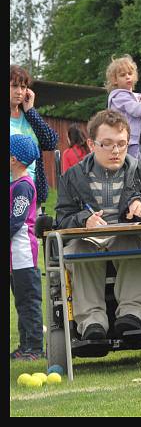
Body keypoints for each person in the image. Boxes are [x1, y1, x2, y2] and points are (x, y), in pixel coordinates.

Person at [55, 109, 141, 340]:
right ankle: (92, 321)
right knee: (79, 249)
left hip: (127, 236)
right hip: (88, 239)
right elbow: (62, 218)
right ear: (91, 144)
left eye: (121, 144)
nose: (115, 151)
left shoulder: (139, 171)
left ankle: (133, 314)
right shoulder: (73, 176)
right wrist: (84, 220)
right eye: (107, 144)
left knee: (129, 242)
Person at [10, 134, 44, 361]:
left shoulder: (23, 186)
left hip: (23, 255)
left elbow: (16, 220)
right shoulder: (15, 184)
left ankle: (35, 347)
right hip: (14, 257)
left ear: (13, 159)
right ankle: (25, 345)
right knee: (21, 303)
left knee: (29, 303)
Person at [10, 65, 59, 210]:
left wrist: (30, 110)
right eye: (14, 86)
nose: (19, 91)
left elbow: (51, 142)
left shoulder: (29, 116)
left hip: (31, 191)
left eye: (23, 87)